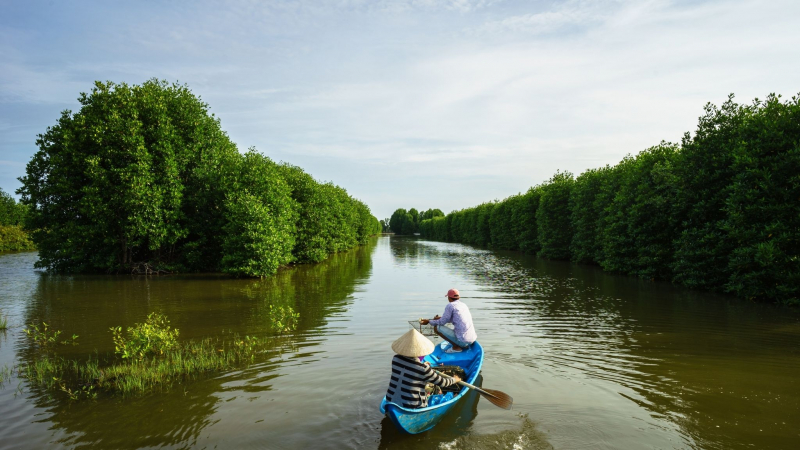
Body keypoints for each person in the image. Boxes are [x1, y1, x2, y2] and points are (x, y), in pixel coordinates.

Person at [385, 329, 461, 409]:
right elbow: (443, 383)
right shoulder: (423, 369)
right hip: (412, 405)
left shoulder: (396, 359)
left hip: (390, 400)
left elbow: (409, 368)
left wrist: (422, 365)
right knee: (445, 395)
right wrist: (455, 379)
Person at [421, 288, 476, 353]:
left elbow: (442, 322)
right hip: (472, 340)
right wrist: (440, 318)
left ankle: (456, 347)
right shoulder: (463, 305)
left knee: (437, 327)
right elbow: (457, 318)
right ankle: (458, 344)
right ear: (458, 297)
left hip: (463, 342)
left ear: (449, 298)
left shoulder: (450, 305)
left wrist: (428, 321)